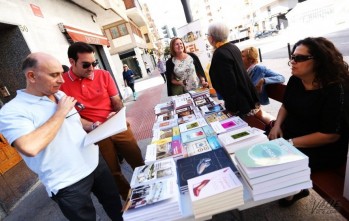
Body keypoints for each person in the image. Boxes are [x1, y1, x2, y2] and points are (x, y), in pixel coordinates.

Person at [0, 52, 123, 221]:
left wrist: (95, 125)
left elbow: (77, 121)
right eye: (54, 75)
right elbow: (30, 147)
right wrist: (60, 113)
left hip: (95, 163)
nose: (62, 80)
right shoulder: (12, 111)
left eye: (61, 73)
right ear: (31, 76)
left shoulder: (59, 95)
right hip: (67, 182)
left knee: (117, 208)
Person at [268, 37, 349, 206]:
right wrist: (276, 125)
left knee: (276, 160)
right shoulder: (296, 80)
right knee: (261, 148)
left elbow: (330, 136)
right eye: (292, 57)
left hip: (324, 148)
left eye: (299, 58)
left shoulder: (335, 89)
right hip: (294, 134)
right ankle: (292, 188)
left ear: (318, 62)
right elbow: (286, 105)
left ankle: (294, 189)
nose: (292, 62)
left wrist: (288, 143)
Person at [60, 42, 144, 201]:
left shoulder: (104, 74)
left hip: (117, 125)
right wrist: (90, 125)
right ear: (72, 62)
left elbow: (116, 100)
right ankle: (132, 200)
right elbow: (69, 116)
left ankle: (151, 188)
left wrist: (117, 112)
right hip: (94, 134)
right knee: (113, 173)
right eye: (86, 64)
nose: (91, 68)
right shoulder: (62, 84)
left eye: (94, 63)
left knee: (137, 160)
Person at [207, 22, 273, 124]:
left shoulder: (220, 53)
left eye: (207, 35)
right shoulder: (233, 47)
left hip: (238, 104)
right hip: (246, 96)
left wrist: (231, 107)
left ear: (211, 38)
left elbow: (229, 83)